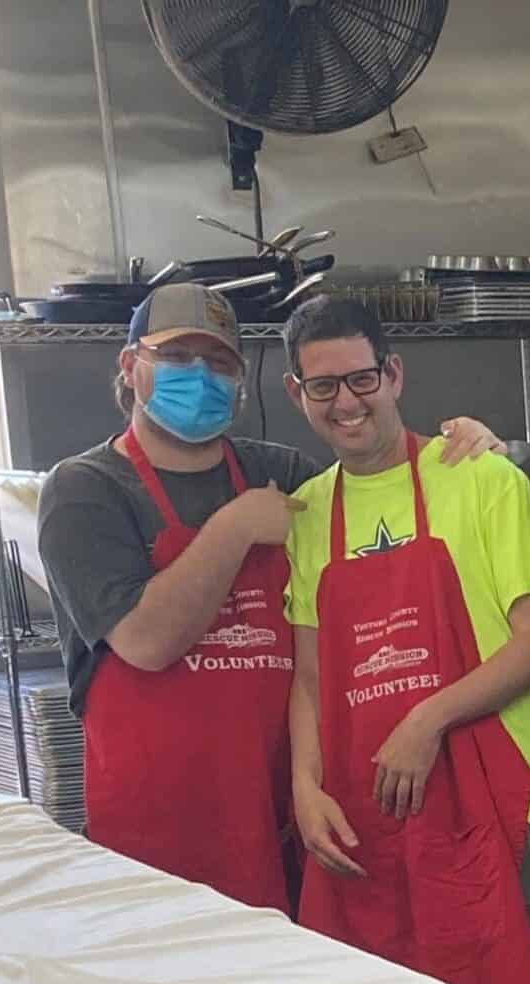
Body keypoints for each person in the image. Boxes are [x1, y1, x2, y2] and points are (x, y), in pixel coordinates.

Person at [37, 283, 499, 909]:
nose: (199, 376)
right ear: (129, 365)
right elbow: (146, 642)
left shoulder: (280, 472)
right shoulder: (85, 489)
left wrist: (469, 448)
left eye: (220, 362)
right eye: (176, 358)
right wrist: (234, 528)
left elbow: (385, 491)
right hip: (157, 841)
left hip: (286, 818)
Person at [280, 295, 530, 984]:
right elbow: (310, 680)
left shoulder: (481, 478)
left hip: (497, 806)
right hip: (365, 824)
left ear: (395, 374)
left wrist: (424, 722)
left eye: (362, 379)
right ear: (297, 394)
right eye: (324, 386)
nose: (347, 402)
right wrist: (305, 787)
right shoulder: (308, 513)